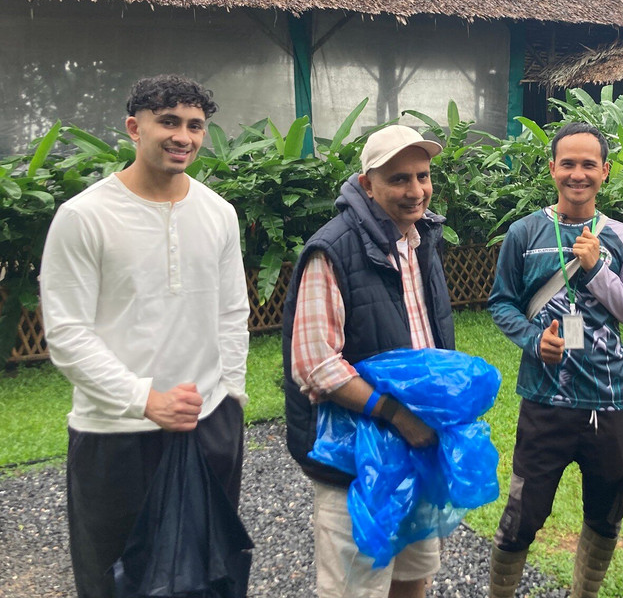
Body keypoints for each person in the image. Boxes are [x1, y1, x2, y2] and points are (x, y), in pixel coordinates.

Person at [40, 75, 250, 598]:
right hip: (116, 432)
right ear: (135, 128)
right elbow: (67, 333)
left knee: (210, 574)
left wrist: (231, 397)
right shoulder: (84, 216)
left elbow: (231, 312)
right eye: (169, 122)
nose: (184, 136)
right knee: (116, 579)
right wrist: (144, 400)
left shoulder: (218, 213)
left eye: (195, 126)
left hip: (209, 423)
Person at [281, 124, 455, 598]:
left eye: (422, 176)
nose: (415, 190)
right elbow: (315, 365)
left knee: (413, 575)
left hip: (415, 448)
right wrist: (396, 414)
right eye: (399, 179)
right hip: (356, 459)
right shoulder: (333, 250)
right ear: (367, 185)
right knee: (356, 587)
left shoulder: (420, 240)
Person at [487, 122, 623, 598]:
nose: (577, 174)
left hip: (609, 400)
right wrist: (532, 339)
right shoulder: (524, 233)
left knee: (607, 511)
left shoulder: (622, 237)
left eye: (588, 164)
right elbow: (502, 302)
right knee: (523, 513)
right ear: (552, 169)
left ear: (605, 171)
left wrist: (597, 269)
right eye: (567, 163)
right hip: (545, 399)